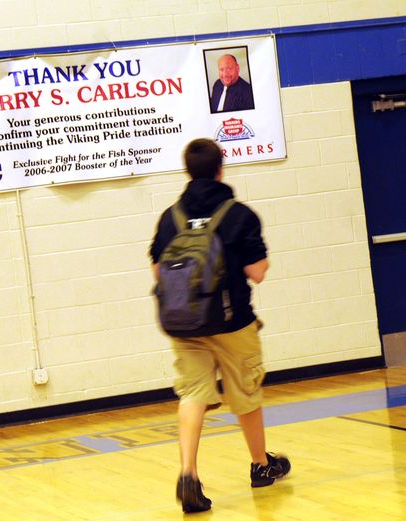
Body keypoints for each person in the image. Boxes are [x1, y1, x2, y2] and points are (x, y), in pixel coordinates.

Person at [149, 138, 289, 513]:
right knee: (245, 392)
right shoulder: (239, 215)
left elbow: (158, 271)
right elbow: (257, 273)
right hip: (232, 322)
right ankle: (261, 465)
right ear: (220, 169)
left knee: (192, 394)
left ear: (188, 171)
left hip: (184, 324)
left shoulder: (170, 218)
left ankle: (188, 474)